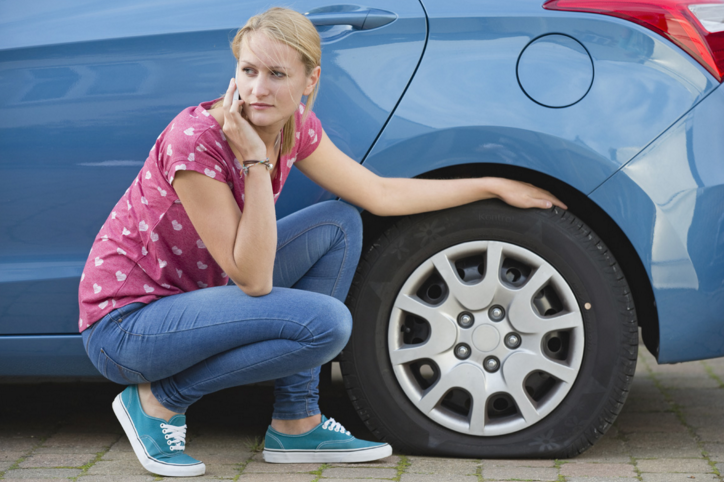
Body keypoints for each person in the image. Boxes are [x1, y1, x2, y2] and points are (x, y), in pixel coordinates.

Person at [77, 6, 567, 478]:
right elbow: (253, 278)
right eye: (248, 70)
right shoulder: (197, 139)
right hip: (129, 327)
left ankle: (297, 422)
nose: (257, 89)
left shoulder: (296, 129)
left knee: (339, 223)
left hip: (197, 302)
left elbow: (379, 193)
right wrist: (254, 162)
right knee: (327, 325)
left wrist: (491, 186)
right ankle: (157, 401)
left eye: (276, 74)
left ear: (309, 81)